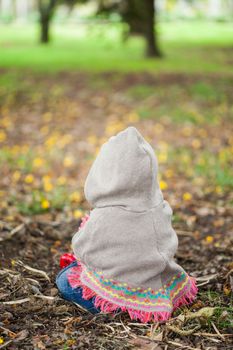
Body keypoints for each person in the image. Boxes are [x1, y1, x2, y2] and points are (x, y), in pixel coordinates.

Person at [56, 127, 197, 322]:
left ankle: (117, 307)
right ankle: (136, 305)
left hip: (117, 290)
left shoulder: (107, 216)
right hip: (152, 284)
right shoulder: (160, 207)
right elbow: (167, 243)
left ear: (103, 175)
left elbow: (83, 249)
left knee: (65, 278)